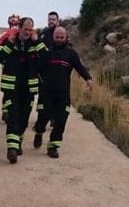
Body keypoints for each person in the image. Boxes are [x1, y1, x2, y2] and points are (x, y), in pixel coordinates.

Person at [0, 17, 48, 164]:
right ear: (19, 28)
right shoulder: (9, 41)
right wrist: (9, 44)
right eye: (25, 29)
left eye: (30, 30)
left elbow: (47, 59)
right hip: (12, 87)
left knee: (24, 118)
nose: (27, 32)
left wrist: (37, 42)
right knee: (13, 116)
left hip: (29, 89)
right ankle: (12, 148)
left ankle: (18, 141)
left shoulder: (36, 43)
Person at [32, 26, 93, 158]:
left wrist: (88, 79)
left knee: (61, 120)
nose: (59, 40)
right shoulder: (47, 53)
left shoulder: (71, 53)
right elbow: (36, 69)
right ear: (53, 37)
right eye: (57, 37)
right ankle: (39, 132)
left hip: (63, 93)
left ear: (66, 38)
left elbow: (80, 67)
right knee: (43, 119)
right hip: (47, 93)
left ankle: (53, 147)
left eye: (62, 37)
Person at [0, 13, 21, 121]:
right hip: (9, 68)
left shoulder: (10, 36)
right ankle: (6, 111)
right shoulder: (6, 37)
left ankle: (6, 111)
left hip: (14, 69)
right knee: (8, 92)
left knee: (9, 92)